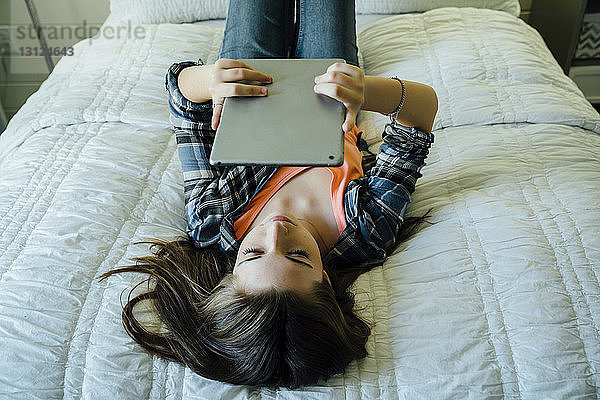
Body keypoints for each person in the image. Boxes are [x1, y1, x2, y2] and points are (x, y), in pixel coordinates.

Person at [100, 0, 438, 390]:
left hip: (248, 90)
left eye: (253, 253)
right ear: (327, 280)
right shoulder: (366, 231)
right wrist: (367, 91)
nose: (276, 232)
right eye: (298, 256)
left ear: (229, 275)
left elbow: (182, 99)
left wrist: (210, 81)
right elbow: (421, 111)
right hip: (327, 95)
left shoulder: (214, 221)